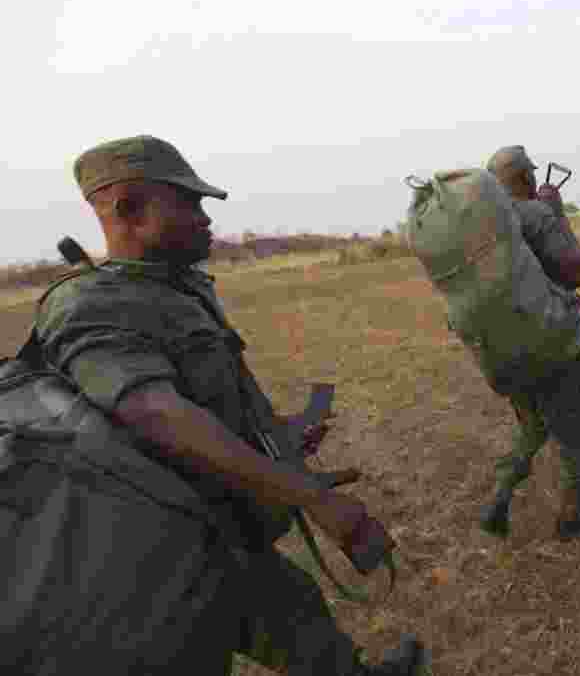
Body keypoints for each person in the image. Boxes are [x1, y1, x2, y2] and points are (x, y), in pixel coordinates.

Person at [34, 135, 427, 676]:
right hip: (156, 562)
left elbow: (205, 402)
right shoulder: (88, 304)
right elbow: (154, 412)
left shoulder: (173, 288)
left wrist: (279, 437)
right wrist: (312, 497)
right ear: (128, 209)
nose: (205, 218)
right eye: (189, 204)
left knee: (301, 622)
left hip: (221, 536)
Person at [480, 146, 580, 540]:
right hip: (554, 345)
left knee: (533, 426)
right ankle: (576, 510)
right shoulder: (534, 213)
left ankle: (500, 493)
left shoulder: (485, 226)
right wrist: (555, 213)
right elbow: (575, 271)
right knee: (574, 429)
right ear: (524, 178)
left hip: (504, 351)